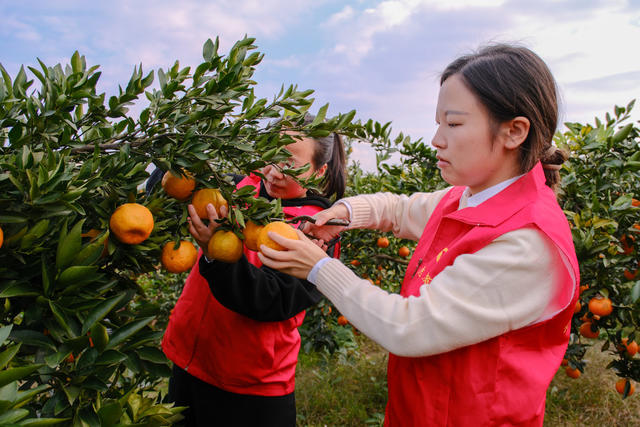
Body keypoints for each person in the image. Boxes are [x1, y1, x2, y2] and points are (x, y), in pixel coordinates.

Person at [258, 44, 580, 426]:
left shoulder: (527, 243)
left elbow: (407, 327)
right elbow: (397, 209)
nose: (437, 139)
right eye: (438, 122)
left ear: (514, 131)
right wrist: (344, 214)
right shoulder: (470, 199)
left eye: (454, 124)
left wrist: (319, 268)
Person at [161, 115, 346, 427]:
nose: (273, 172)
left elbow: (273, 299)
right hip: (189, 362)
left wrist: (214, 257)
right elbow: (176, 193)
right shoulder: (237, 188)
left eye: (289, 163)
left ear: (319, 170)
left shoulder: (316, 231)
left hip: (251, 388)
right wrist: (173, 168)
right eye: (271, 156)